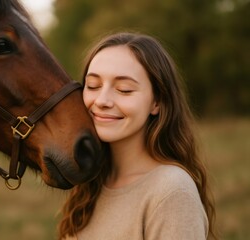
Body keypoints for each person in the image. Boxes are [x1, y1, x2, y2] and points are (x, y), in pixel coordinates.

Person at [57, 32, 216, 240]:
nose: (102, 100)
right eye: (93, 86)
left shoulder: (171, 191)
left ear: (156, 102)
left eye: (124, 90)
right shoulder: (90, 184)